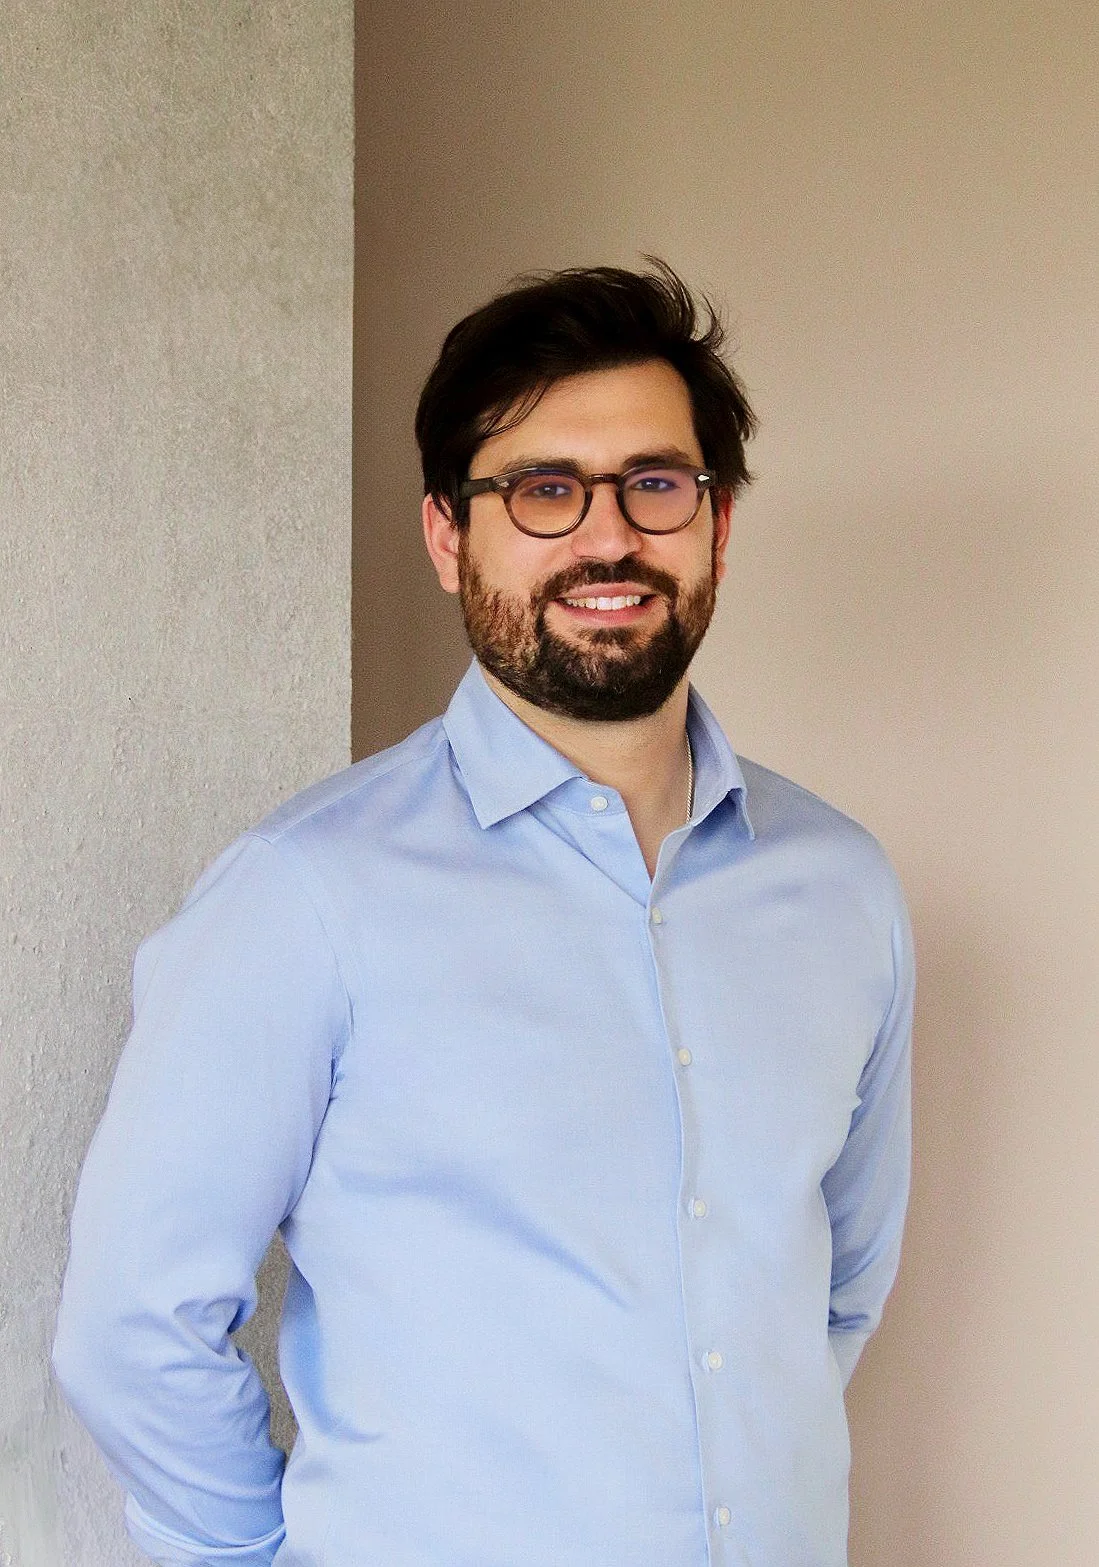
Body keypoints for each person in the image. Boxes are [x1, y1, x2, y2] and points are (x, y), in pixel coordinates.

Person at [54, 260, 913, 1567]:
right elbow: (133, 1324)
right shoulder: (304, 897)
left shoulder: (840, 887)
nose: (608, 539)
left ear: (717, 524)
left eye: (656, 483)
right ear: (449, 535)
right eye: (543, 490)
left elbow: (832, 1293)